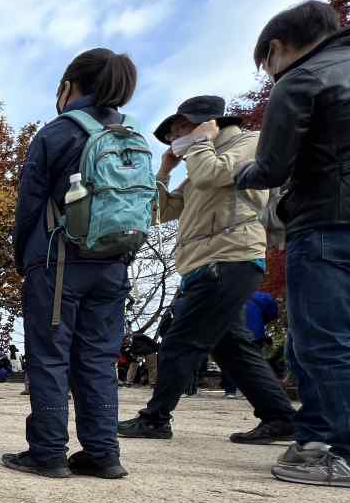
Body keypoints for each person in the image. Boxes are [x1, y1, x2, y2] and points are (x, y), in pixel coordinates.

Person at [117, 95, 295, 445]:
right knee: (232, 347)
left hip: (229, 257)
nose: (174, 139)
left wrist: (198, 144)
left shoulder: (248, 143)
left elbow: (216, 176)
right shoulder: (198, 161)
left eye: (180, 128)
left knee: (179, 340)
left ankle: (156, 418)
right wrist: (165, 171)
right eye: (171, 136)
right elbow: (161, 212)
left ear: (207, 123)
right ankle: (279, 416)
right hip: (203, 262)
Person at [5, 48, 141, 479]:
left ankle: (47, 451)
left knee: (50, 356)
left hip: (59, 260)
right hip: (113, 262)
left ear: (69, 86)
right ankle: (103, 452)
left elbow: (30, 202)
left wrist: (22, 255)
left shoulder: (57, 133)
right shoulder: (129, 135)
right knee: (100, 358)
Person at [235, 0, 350, 486]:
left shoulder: (302, 79)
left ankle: (329, 446)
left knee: (323, 339)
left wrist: (247, 175)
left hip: (328, 220)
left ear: (277, 48)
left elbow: (273, 166)